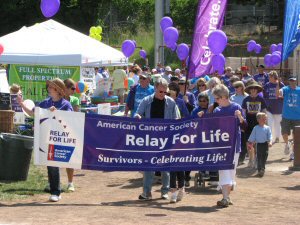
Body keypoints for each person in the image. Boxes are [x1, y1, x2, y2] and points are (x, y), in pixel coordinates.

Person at [18, 78, 73, 202]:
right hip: (45, 137)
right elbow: (33, 114)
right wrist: (21, 104)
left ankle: (56, 192)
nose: (48, 89)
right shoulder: (45, 103)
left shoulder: (66, 104)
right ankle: (54, 189)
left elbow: (70, 119)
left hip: (59, 138)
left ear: (58, 90)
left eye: (50, 87)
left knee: (53, 164)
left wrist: (57, 112)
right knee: (50, 165)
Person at [199, 84, 246, 207]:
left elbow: (245, 126)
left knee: (231, 172)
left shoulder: (236, 107)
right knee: (224, 171)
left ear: (224, 97)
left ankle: (227, 196)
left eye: (217, 98)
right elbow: (212, 127)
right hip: (221, 146)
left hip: (234, 146)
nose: (216, 101)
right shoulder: (217, 110)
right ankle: (225, 198)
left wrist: (240, 117)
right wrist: (203, 117)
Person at [135, 78, 180, 200]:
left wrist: (176, 122)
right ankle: (146, 192)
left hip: (166, 138)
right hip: (150, 138)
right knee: (148, 167)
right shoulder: (146, 101)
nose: (163, 94)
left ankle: (164, 191)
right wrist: (138, 116)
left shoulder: (171, 102)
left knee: (165, 167)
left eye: (165, 92)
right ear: (155, 89)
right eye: (161, 92)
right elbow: (138, 113)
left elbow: (177, 118)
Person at [242, 81, 267, 168]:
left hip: (258, 122)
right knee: (249, 142)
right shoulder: (246, 100)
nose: (253, 91)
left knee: (258, 142)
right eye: (251, 89)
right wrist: (243, 123)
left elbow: (264, 111)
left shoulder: (261, 100)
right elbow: (243, 112)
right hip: (248, 123)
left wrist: (264, 122)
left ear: (257, 90)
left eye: (254, 89)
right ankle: (251, 159)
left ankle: (256, 159)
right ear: (249, 90)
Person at [277, 75, 300, 160]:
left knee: (296, 136)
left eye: (294, 81)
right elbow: (280, 92)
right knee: (284, 133)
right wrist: (278, 85)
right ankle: (287, 144)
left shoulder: (299, 90)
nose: (292, 82)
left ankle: (293, 153)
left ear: (296, 81)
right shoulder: (285, 89)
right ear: (289, 82)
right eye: (291, 81)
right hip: (286, 115)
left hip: (297, 116)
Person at [63, 78, 80, 192]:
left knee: (70, 158)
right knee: (52, 158)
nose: (74, 90)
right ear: (65, 88)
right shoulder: (56, 99)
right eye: (72, 88)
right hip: (57, 130)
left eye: (75, 88)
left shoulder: (74, 100)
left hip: (70, 132)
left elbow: (76, 116)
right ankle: (51, 183)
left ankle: (70, 183)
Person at [248, 112, 272, 177]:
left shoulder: (267, 128)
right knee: (259, 157)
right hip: (258, 145)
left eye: (265, 119)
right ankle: (260, 170)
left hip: (265, 145)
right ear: (258, 120)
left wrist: (270, 142)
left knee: (265, 156)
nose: (265, 120)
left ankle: (262, 168)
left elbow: (270, 136)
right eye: (263, 119)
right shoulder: (256, 128)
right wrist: (250, 143)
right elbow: (252, 136)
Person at [230, 81, 248, 165]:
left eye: (237, 87)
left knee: (243, 139)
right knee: (236, 139)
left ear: (242, 87)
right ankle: (237, 156)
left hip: (243, 119)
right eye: (235, 87)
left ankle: (242, 156)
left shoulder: (246, 96)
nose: (236, 88)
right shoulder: (232, 97)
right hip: (234, 120)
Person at [263, 71, 284, 144]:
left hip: (278, 108)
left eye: (270, 77)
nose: (269, 78)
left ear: (275, 77)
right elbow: (264, 95)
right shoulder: (267, 85)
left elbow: (283, 95)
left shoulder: (281, 85)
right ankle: (270, 139)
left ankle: (277, 137)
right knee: (270, 124)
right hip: (269, 108)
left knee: (277, 123)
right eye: (269, 76)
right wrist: (266, 104)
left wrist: (278, 84)